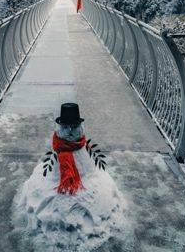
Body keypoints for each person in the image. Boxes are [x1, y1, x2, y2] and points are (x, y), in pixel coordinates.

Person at [13, 103, 128, 250]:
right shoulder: (59, 148)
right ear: (61, 126)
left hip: (84, 172)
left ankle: (90, 220)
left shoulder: (80, 147)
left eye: (73, 126)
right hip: (58, 174)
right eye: (66, 127)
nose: (69, 131)